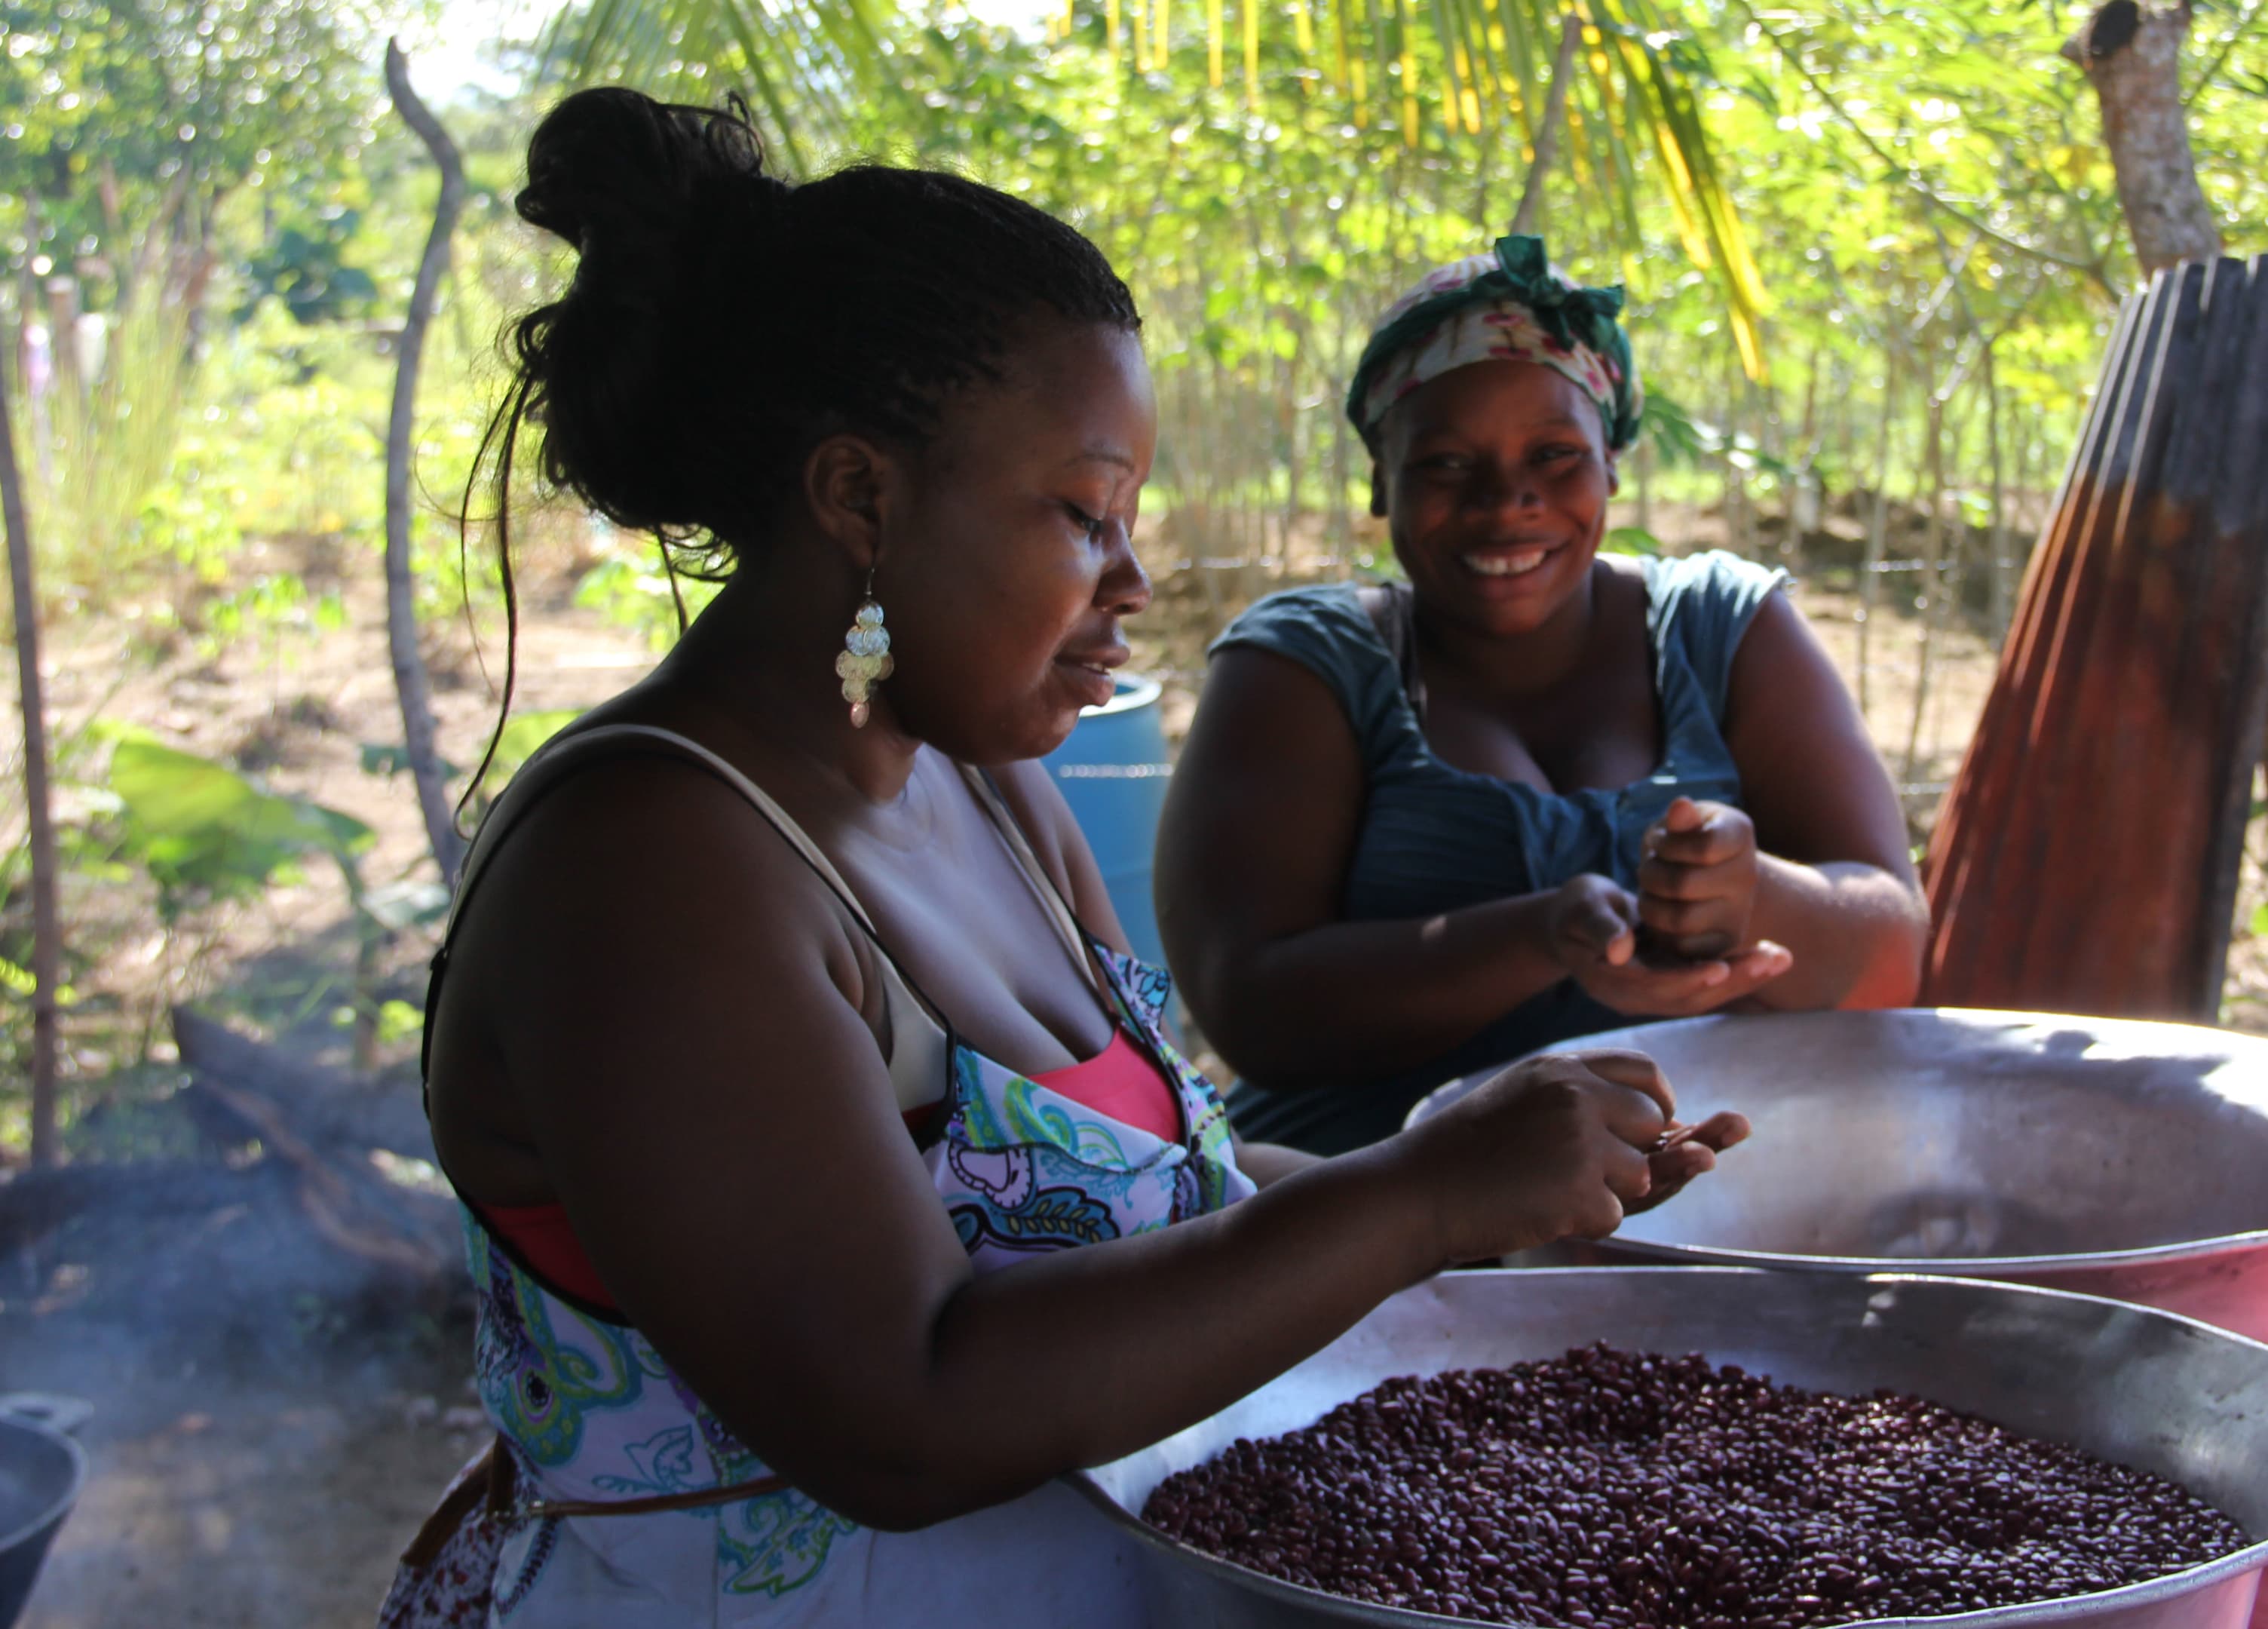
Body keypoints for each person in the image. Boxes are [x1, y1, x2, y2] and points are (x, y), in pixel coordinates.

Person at [378, 94, 1744, 1628]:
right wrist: (1419, 1199)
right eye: (1087, 515)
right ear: (861, 500)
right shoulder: (647, 873)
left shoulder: (986, 787)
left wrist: (1503, 1205)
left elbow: (1179, 1200)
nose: (1135, 581)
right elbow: (902, 1413)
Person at [1158, 238, 1929, 1157]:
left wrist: (1749, 895)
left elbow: (1891, 954)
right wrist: (1540, 937)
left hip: (1719, 1214)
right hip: (1364, 1225)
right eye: (1445, 463)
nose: (1507, 499)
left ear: (1612, 463)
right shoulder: (1307, 666)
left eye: (1555, 453)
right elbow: (1250, 1012)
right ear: (1379, 477)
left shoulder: (1728, 629)